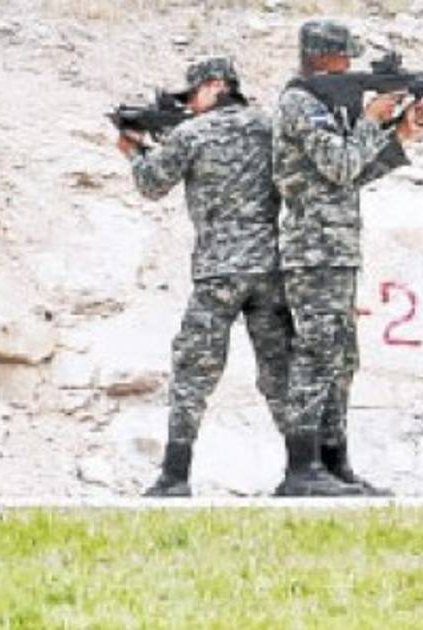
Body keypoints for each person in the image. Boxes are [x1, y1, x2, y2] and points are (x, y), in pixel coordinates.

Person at [117, 57, 293, 497]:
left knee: (193, 373)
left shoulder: (191, 133)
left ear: (215, 86)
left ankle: (175, 476)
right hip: (270, 268)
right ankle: (303, 469)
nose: (189, 105)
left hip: (218, 272)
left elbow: (152, 184)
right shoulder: (271, 126)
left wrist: (135, 150)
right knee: (280, 372)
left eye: (193, 95)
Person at [272, 19, 423, 496]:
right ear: (323, 57)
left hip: (335, 249)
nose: (349, 67)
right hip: (312, 250)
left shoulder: (323, 107)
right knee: (316, 353)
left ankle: (334, 463)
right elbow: (341, 166)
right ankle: (301, 469)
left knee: (341, 358)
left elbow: (353, 176)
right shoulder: (300, 103)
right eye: (344, 57)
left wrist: (399, 133)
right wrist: (370, 119)